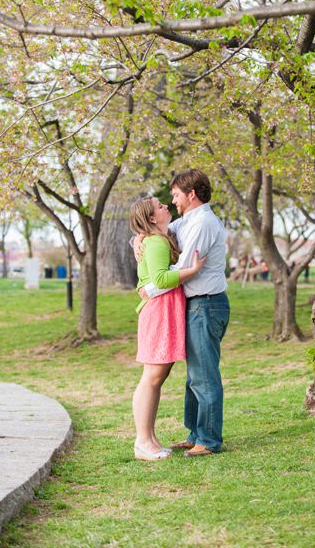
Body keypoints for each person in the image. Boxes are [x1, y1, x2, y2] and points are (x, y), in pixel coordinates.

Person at [135, 170, 229, 457]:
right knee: (194, 376)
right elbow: (156, 235)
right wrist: (137, 239)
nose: (171, 201)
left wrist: (150, 287)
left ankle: (209, 440)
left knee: (204, 375)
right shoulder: (185, 221)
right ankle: (195, 433)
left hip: (206, 303)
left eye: (175, 195)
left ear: (191, 194)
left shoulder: (203, 223)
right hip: (194, 305)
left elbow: (184, 267)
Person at [128, 197, 206, 461]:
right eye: (160, 206)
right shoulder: (157, 241)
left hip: (164, 310)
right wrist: (193, 270)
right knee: (151, 379)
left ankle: (149, 439)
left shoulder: (159, 237)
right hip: (159, 311)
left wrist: (137, 237)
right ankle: (142, 442)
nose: (166, 207)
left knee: (156, 379)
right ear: (152, 218)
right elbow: (160, 279)